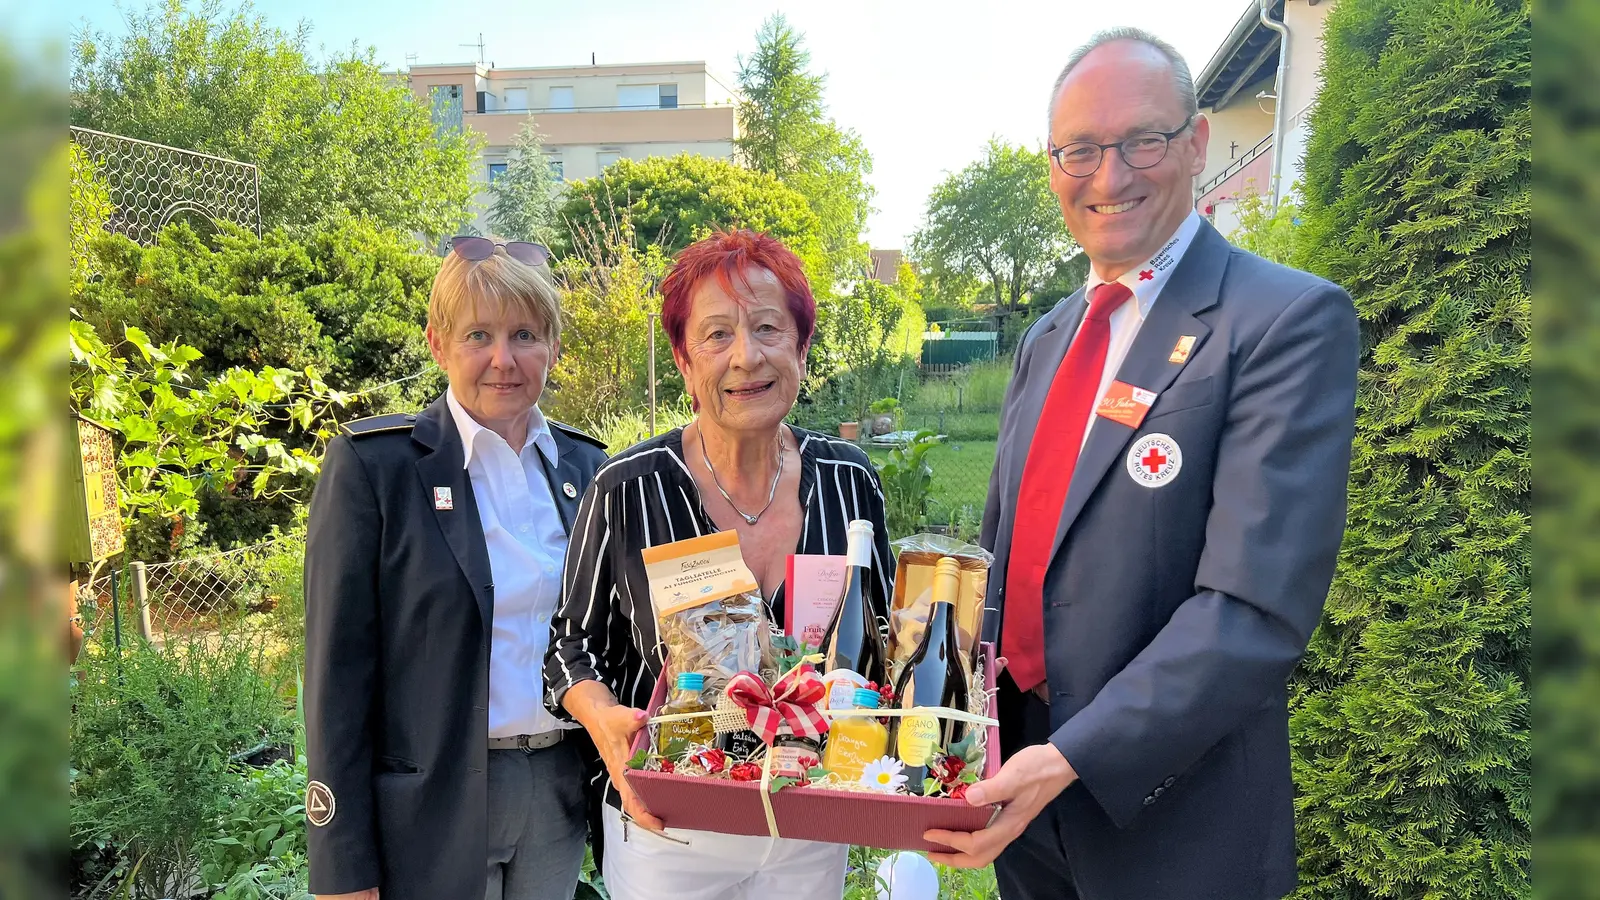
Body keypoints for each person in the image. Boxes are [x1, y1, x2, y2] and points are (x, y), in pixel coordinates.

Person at [923, 28, 1359, 900]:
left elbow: (1253, 610)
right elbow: (1003, 559)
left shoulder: (1281, 322)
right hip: (1023, 804)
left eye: (1142, 142)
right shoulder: (1047, 338)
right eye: (1079, 149)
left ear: (1196, 143)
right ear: (1052, 165)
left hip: (1173, 822)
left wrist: (1074, 756)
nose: (1109, 176)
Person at [544, 229, 894, 900]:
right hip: (670, 828)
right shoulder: (627, 488)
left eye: (768, 328)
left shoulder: (851, 480)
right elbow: (569, 648)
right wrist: (603, 721)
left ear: (801, 347)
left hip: (810, 815)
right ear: (683, 359)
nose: (746, 357)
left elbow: (877, 639)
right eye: (716, 335)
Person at [303, 236, 609, 900]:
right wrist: (340, 864)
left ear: (553, 347)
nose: (504, 359)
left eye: (525, 334)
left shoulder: (590, 473)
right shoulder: (375, 469)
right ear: (439, 344)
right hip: (430, 809)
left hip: (556, 792)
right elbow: (336, 675)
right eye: (479, 335)